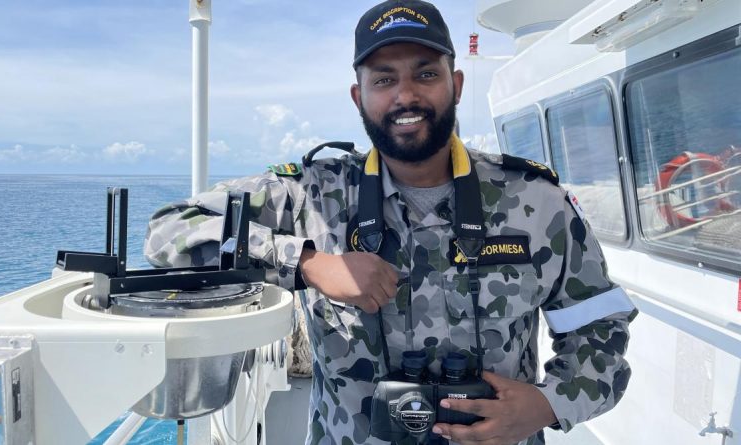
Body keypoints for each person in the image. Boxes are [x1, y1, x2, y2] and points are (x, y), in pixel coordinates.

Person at [144, 1, 637, 444]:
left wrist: (549, 405)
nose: (405, 96)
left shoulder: (536, 200)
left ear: (456, 85)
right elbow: (169, 230)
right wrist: (308, 263)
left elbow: (601, 326)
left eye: (425, 74)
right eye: (383, 79)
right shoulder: (312, 194)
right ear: (359, 97)